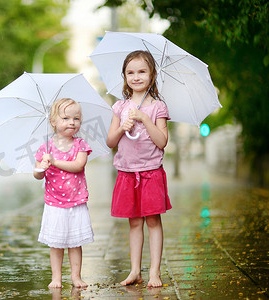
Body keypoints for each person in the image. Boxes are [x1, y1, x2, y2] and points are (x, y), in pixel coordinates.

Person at [106, 50, 172, 288]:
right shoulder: (120, 106)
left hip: (151, 171)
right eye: (130, 72)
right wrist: (122, 126)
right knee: (134, 223)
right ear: (124, 77)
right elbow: (110, 142)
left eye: (142, 71)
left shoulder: (157, 107)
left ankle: (154, 271)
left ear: (152, 75)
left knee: (153, 221)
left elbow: (162, 141)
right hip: (126, 172)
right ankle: (135, 270)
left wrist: (144, 119)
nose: (136, 77)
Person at [33, 97, 94, 289]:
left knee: (75, 242)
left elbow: (78, 165)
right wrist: (41, 167)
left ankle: (76, 276)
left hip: (76, 201)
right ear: (53, 122)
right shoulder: (45, 148)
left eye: (76, 118)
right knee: (56, 243)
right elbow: (37, 175)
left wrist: (55, 162)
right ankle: (56, 277)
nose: (71, 122)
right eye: (66, 118)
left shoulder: (80, 145)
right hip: (54, 203)